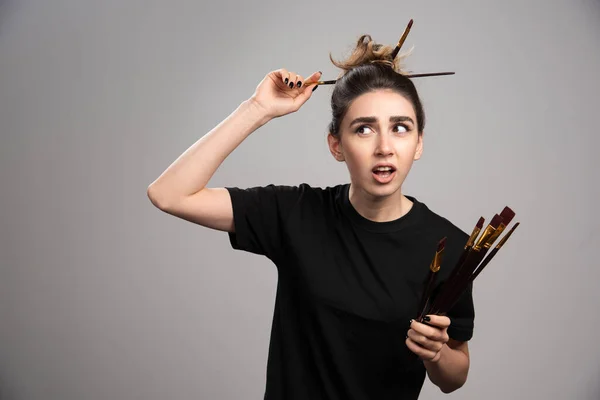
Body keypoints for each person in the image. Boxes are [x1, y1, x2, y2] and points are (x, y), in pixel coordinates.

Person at [147, 34, 475, 400]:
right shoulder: (296, 215)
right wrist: (257, 108)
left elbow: (453, 376)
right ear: (336, 145)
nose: (384, 147)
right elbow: (169, 193)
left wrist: (435, 353)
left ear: (418, 143)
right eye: (364, 129)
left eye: (400, 127)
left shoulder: (450, 246)